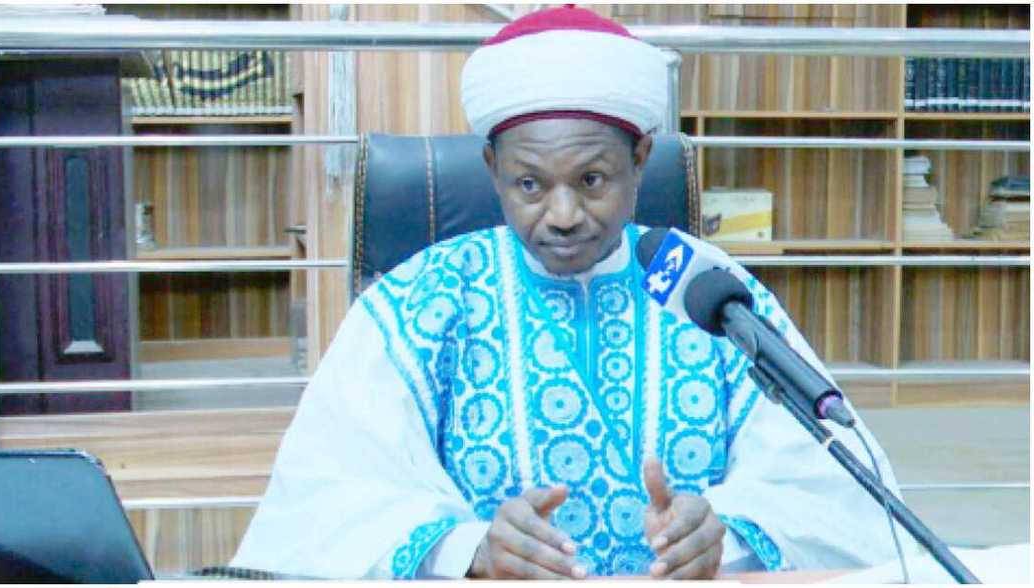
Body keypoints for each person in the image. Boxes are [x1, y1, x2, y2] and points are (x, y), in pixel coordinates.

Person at [231, 5, 911, 580]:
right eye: (530, 184)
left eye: (591, 181)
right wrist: (468, 550)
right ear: (493, 169)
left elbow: (833, 491)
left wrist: (727, 535)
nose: (561, 214)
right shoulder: (422, 300)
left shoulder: (704, 286)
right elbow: (333, 494)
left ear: (640, 160)